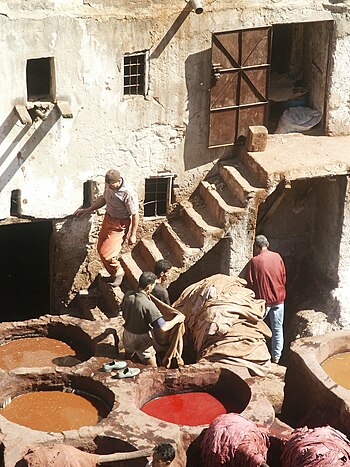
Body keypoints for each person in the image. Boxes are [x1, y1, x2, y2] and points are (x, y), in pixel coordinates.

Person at [75, 169, 139, 287]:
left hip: (119, 224)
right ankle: (113, 273)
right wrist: (88, 209)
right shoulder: (109, 186)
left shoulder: (128, 193)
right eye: (108, 184)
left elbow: (135, 215)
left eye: (112, 184)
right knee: (100, 248)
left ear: (119, 181)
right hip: (108, 219)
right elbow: (104, 199)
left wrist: (133, 234)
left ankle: (119, 271)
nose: (109, 186)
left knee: (107, 254)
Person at [121, 272, 185, 367]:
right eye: (153, 285)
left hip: (127, 334)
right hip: (141, 338)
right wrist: (177, 319)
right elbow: (163, 327)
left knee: (127, 357)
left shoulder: (128, 295)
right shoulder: (148, 305)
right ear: (148, 287)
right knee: (153, 367)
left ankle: (126, 366)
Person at [245, 235, 286, 364]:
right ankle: (276, 358)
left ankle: (256, 356)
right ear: (267, 244)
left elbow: (249, 282)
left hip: (263, 301)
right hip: (279, 298)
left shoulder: (254, 261)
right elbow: (283, 276)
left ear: (256, 247)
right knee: (278, 329)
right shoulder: (277, 257)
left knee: (255, 328)